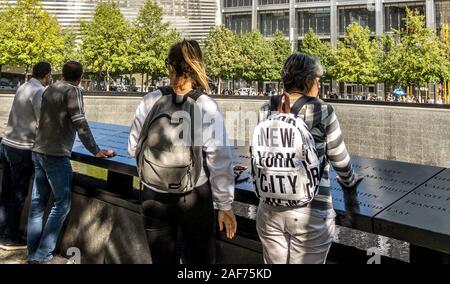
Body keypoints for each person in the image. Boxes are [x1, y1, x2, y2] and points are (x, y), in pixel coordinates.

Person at [128, 40, 237, 264]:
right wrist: (224, 205)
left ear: (170, 67)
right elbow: (220, 160)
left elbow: (132, 148)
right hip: (193, 198)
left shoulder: (151, 100)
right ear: (197, 66)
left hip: (153, 195)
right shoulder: (206, 105)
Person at [257, 53, 363, 264]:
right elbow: (340, 160)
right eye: (317, 79)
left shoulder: (267, 109)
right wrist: (349, 181)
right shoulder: (323, 111)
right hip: (312, 211)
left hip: (270, 208)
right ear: (307, 81)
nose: (319, 85)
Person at [27, 61, 115, 264]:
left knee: (37, 203)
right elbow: (80, 122)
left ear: (63, 74)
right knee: (62, 204)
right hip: (56, 154)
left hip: (38, 151)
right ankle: (42, 254)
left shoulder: (50, 88)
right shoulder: (73, 91)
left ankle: (32, 252)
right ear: (80, 77)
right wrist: (96, 150)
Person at [0, 62, 52, 250]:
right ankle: (9, 238)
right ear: (46, 75)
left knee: (6, 192)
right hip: (22, 148)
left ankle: (3, 231)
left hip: (7, 144)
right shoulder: (39, 91)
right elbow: (42, 121)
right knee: (18, 194)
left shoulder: (23, 86)